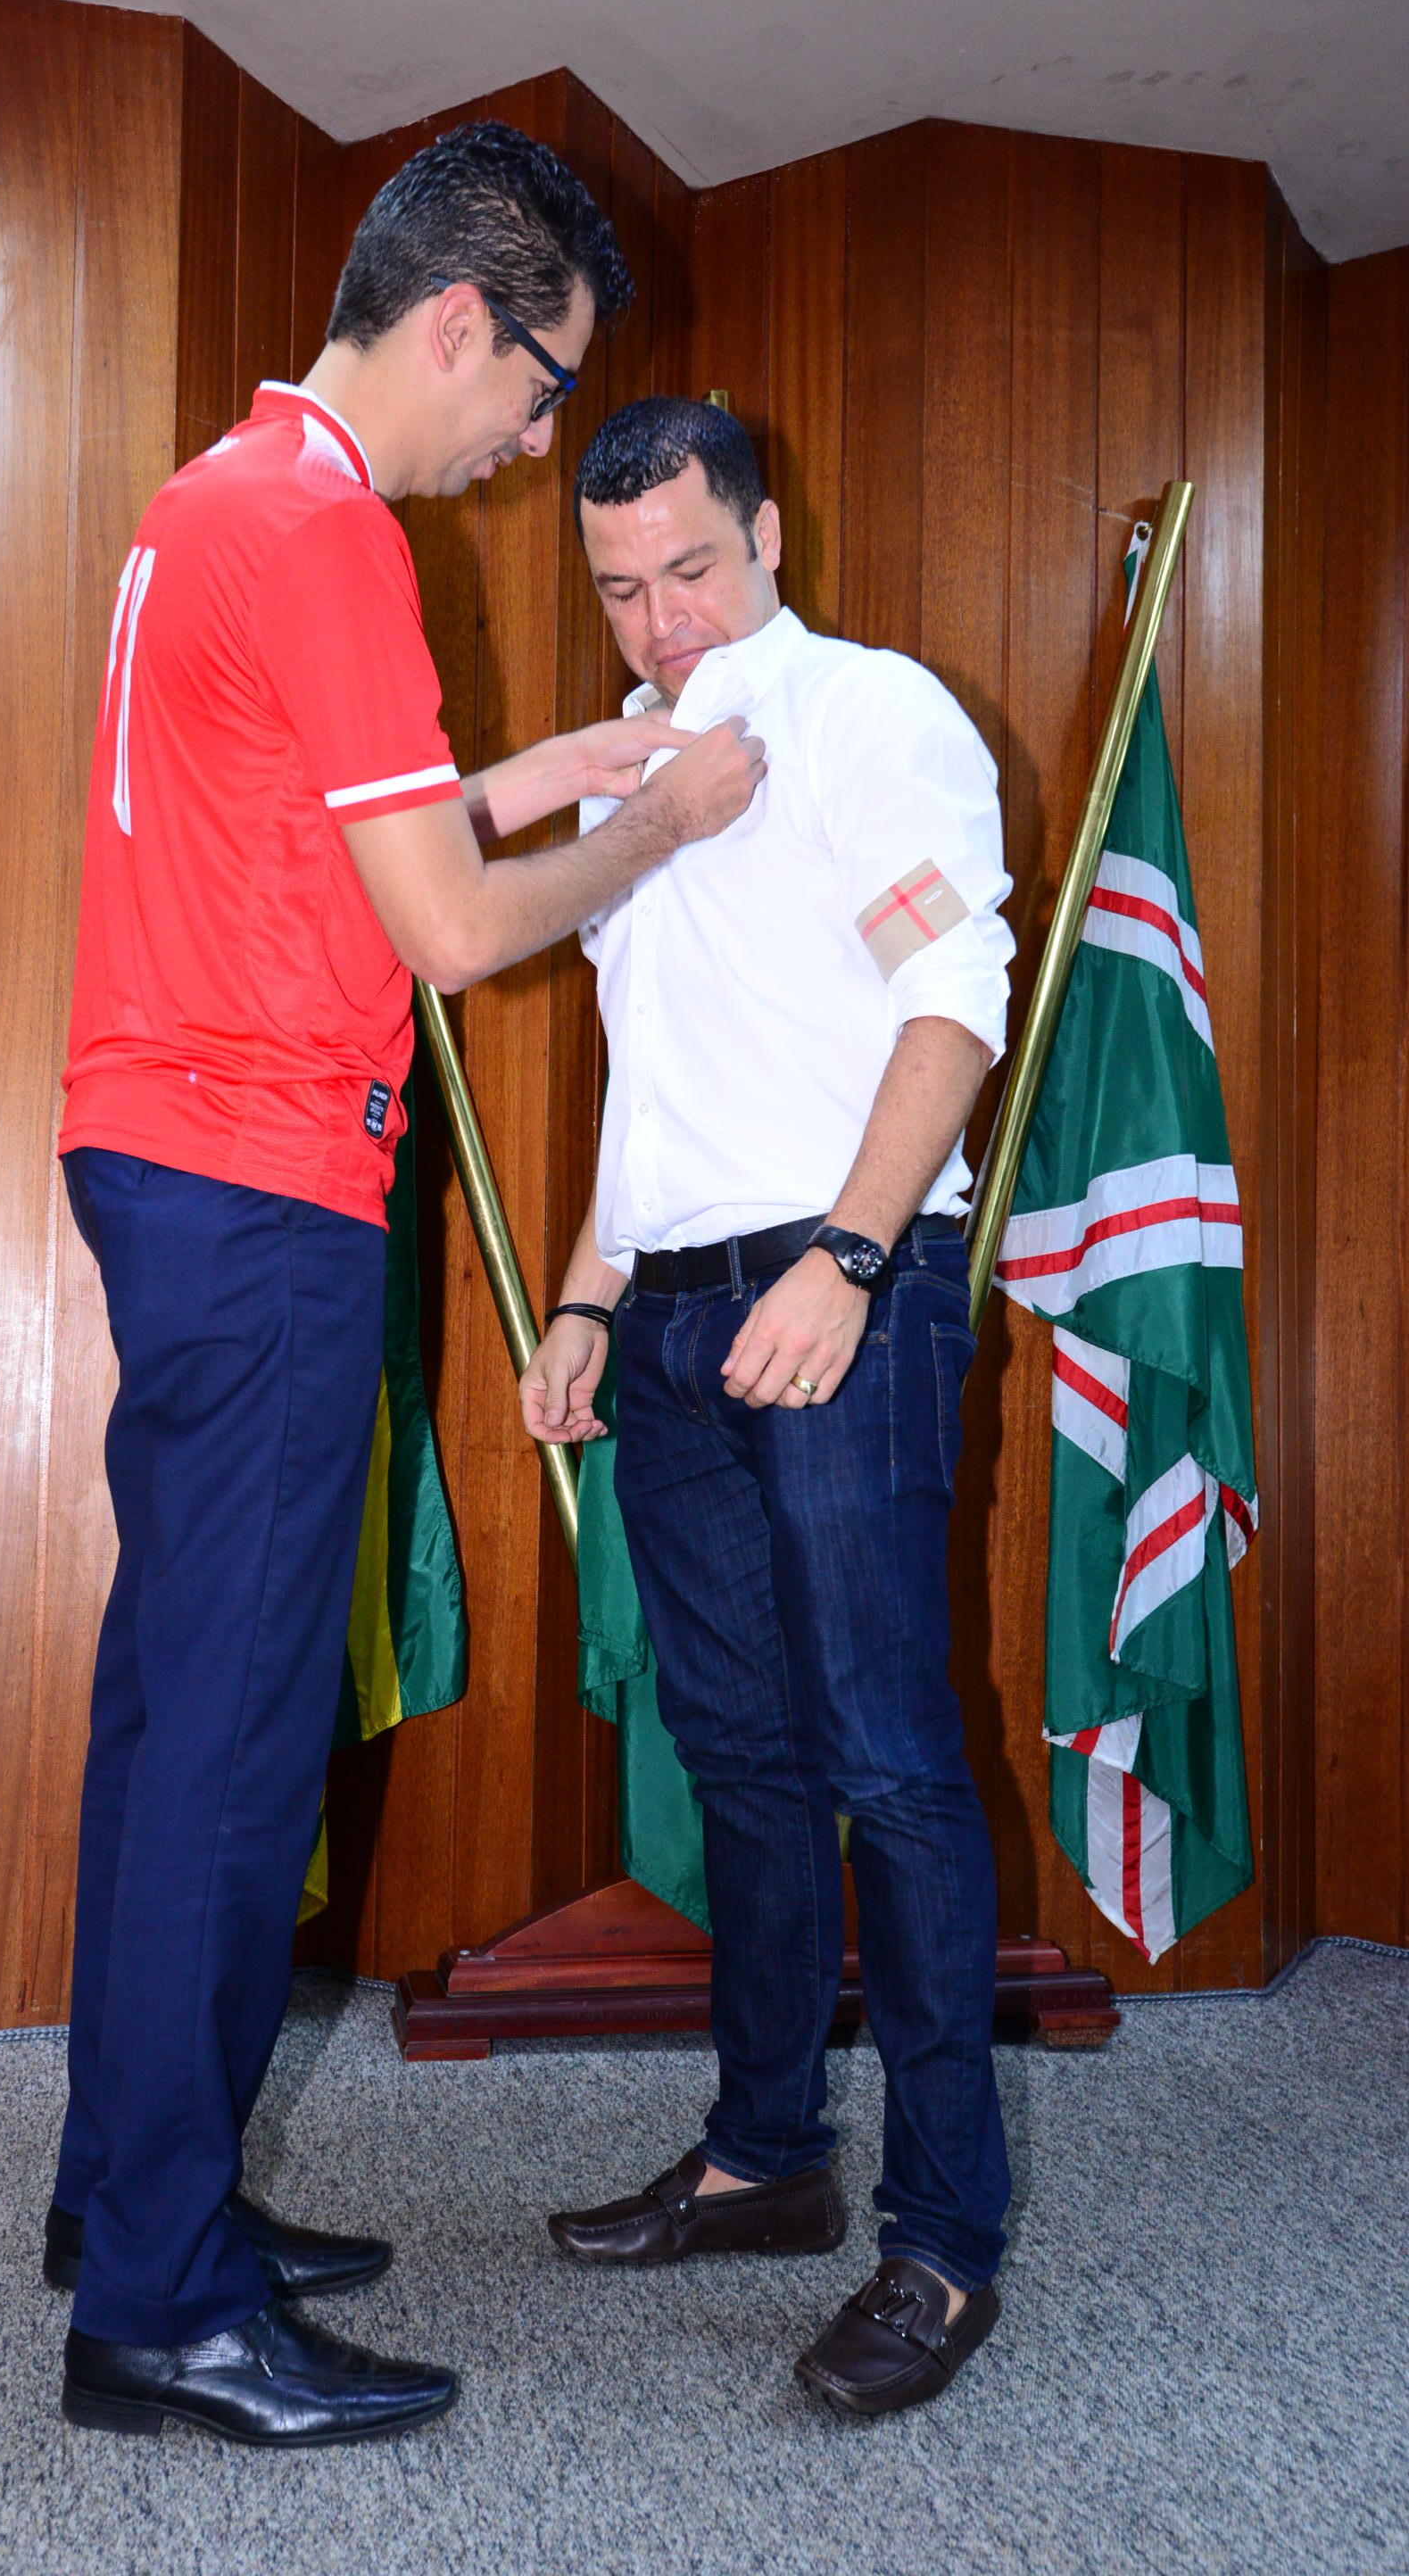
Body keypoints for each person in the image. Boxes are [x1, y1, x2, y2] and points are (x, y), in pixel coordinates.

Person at [48, 140, 764, 2450]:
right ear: (463, 320)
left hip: (161, 1142)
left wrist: (538, 772)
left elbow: (332, 834)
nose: (537, 441)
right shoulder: (334, 530)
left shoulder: (218, 498)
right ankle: (160, 2307)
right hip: (258, 1172)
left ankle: (123, 2197)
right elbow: (445, 934)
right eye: (543, 387)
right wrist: (655, 822)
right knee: (233, 1751)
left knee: (167, 1721)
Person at [519, 396, 1015, 2418]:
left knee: (886, 1760)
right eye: (622, 588)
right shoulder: (630, 781)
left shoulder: (865, 713)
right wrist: (587, 1287)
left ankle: (944, 2241)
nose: (662, 622)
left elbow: (951, 997)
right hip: (668, 1324)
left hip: (839, 1298)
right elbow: (653, 1076)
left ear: (769, 535)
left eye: (693, 569)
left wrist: (849, 1258)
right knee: (735, 1753)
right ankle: (765, 2157)